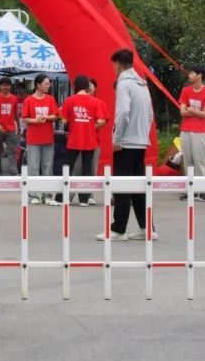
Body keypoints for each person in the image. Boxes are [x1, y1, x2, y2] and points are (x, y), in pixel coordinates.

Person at [97, 48, 156, 242]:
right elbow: (149, 114)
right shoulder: (142, 84)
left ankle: (119, 229)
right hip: (140, 142)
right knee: (139, 186)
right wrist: (143, 134)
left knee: (122, 185)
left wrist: (117, 138)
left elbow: (123, 112)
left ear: (117, 64)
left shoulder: (124, 84)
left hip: (126, 142)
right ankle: (147, 227)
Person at [54, 75, 106, 206]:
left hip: (74, 139)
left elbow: (63, 120)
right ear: (87, 87)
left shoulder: (69, 100)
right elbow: (101, 121)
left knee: (68, 168)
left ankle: (61, 198)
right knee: (87, 170)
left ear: (74, 86)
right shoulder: (95, 102)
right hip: (90, 139)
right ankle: (84, 199)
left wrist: (74, 120)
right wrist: (90, 124)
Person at [178, 66, 205, 202]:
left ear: (199, 76)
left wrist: (191, 110)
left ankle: (203, 191)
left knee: (200, 160)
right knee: (188, 161)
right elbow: (182, 112)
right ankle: (190, 191)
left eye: (192, 73)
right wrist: (198, 112)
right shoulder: (186, 91)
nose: (189, 75)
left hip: (200, 131)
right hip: (185, 130)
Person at [22, 74, 58, 205]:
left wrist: (47, 118)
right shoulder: (29, 100)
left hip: (48, 138)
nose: (48, 86)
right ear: (38, 85)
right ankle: (34, 194)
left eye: (49, 84)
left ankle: (47, 195)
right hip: (33, 138)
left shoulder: (50, 99)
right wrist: (35, 120)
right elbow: (24, 118)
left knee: (47, 167)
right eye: (46, 84)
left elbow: (55, 116)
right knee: (33, 167)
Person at [0, 77, 20, 176]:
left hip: (11, 129)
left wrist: (18, 127)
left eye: (7, 85)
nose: (5, 87)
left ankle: (13, 172)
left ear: (10, 86)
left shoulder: (14, 98)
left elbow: (16, 114)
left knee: (12, 151)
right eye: (3, 85)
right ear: (0, 86)